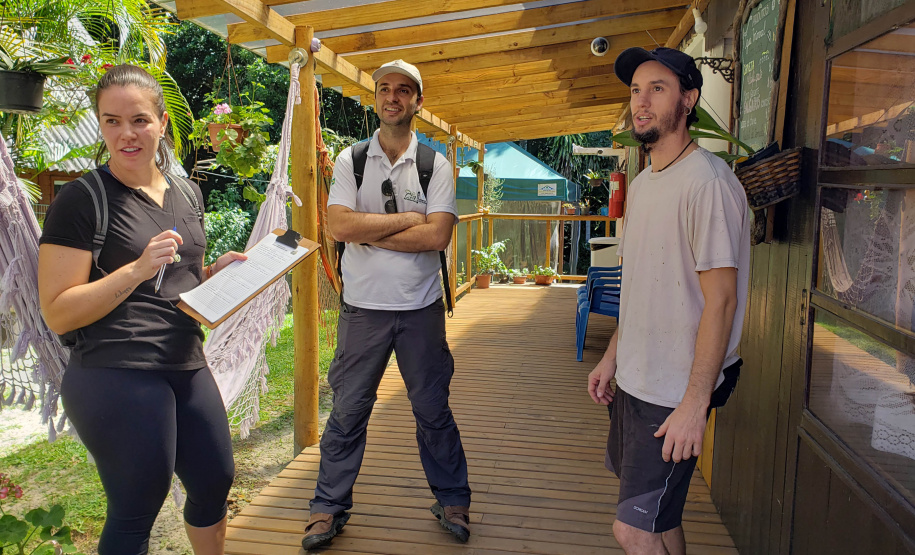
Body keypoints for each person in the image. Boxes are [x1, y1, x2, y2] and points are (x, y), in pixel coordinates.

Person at [38, 64, 246, 555]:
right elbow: (58, 312)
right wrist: (133, 269)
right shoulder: (81, 199)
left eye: (139, 120)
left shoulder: (187, 192)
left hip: (183, 360)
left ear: (162, 123)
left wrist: (217, 274)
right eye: (111, 121)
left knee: (216, 479)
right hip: (115, 369)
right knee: (138, 504)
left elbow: (179, 284)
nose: (126, 133)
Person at [301, 59, 471, 550]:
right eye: (384, 89)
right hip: (362, 310)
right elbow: (339, 227)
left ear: (418, 101)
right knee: (348, 411)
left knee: (432, 409)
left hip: (421, 309)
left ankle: (453, 498)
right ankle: (327, 508)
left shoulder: (435, 165)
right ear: (374, 98)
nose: (392, 97)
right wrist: (405, 223)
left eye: (403, 90)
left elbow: (437, 234)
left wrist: (370, 230)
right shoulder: (351, 160)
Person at [588, 47, 750, 555]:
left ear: (689, 99)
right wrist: (612, 356)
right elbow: (642, 288)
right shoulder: (641, 185)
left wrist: (694, 404)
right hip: (638, 377)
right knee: (658, 522)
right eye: (636, 90)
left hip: (675, 389)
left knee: (632, 531)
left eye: (657, 88)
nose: (641, 101)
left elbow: (720, 301)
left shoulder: (707, 183)